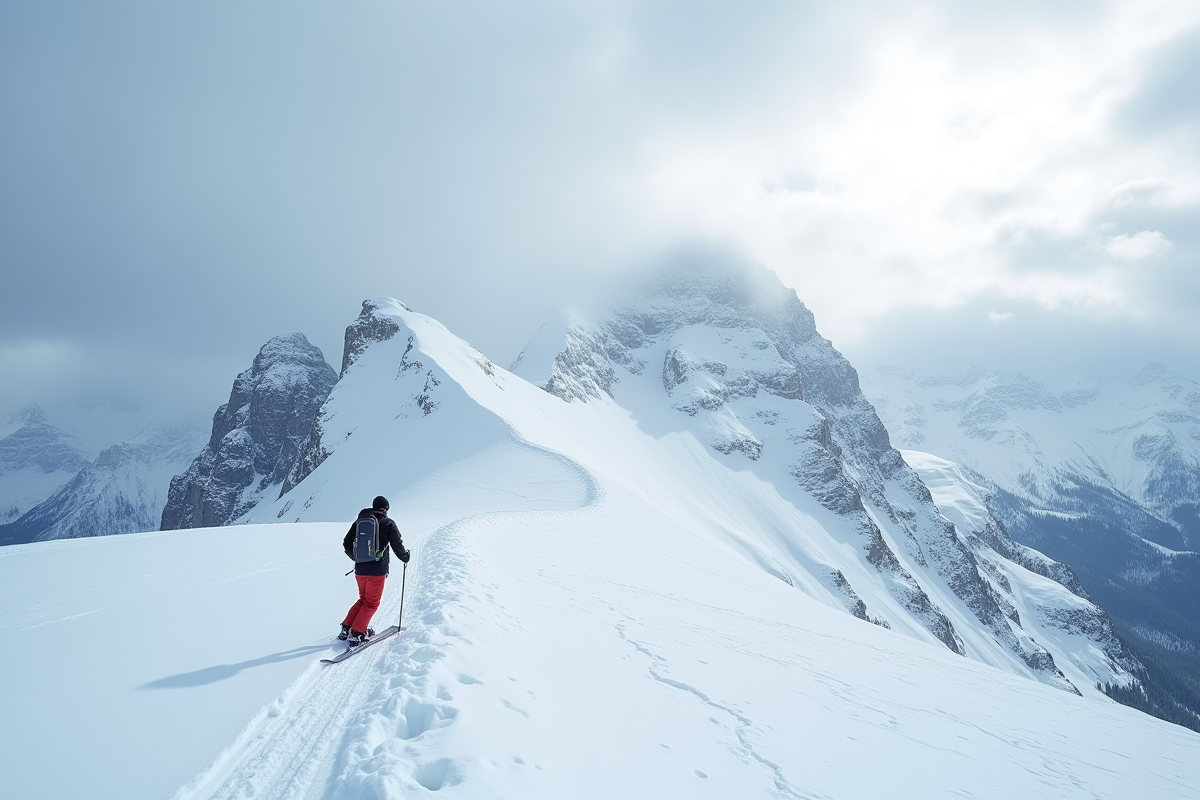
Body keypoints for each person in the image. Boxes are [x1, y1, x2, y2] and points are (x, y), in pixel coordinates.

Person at [340, 495, 409, 648]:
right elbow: (397, 544)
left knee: (363, 599)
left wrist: (357, 557)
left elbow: (346, 543)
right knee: (372, 603)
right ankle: (357, 634)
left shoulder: (360, 521)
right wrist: (405, 557)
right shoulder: (387, 522)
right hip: (376, 571)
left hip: (360, 570)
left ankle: (346, 628)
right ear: (386, 509)